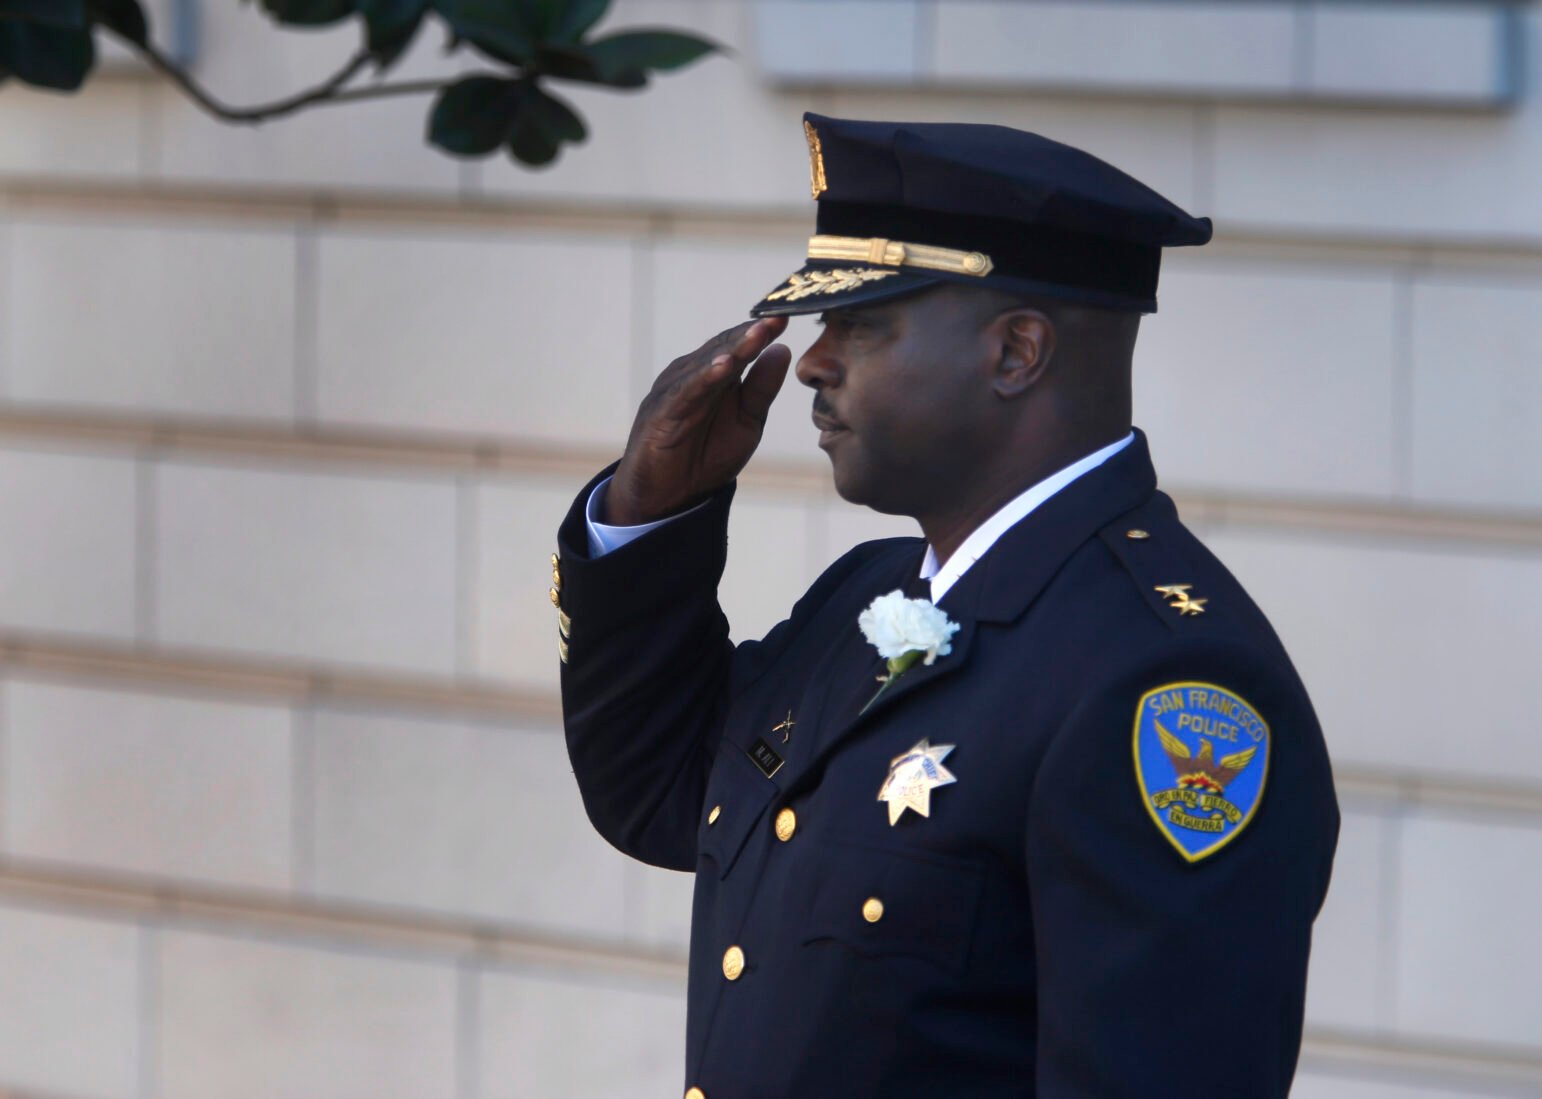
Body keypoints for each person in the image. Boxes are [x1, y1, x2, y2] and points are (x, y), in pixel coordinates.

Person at [549, 113, 1339, 1098]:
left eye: (862, 323)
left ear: (1016, 354)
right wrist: (648, 513)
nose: (813, 361)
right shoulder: (868, 595)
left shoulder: (1163, 680)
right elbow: (661, 791)